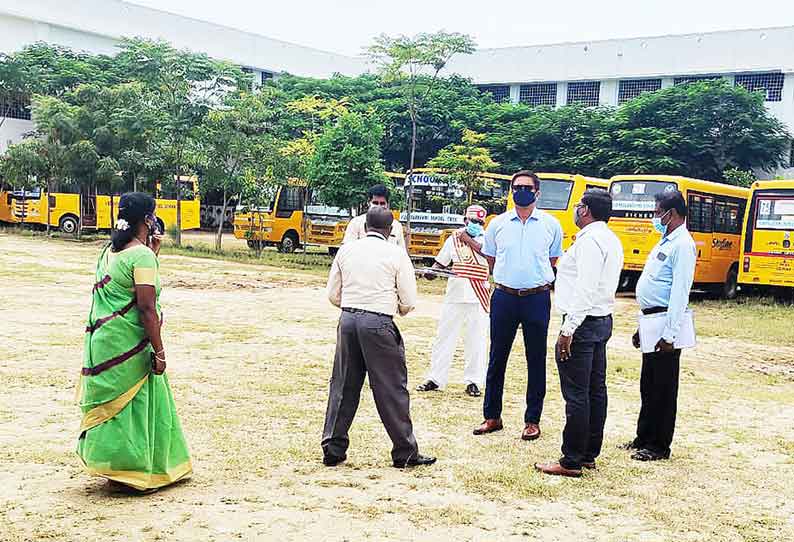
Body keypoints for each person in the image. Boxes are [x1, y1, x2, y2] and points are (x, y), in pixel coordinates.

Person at [77, 192, 191, 493]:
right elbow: (146, 307)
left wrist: (153, 251)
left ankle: (116, 468)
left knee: (118, 407)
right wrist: (160, 351)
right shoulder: (140, 256)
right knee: (136, 405)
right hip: (130, 345)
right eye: (152, 215)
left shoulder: (109, 251)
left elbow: (128, 286)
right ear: (147, 219)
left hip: (103, 342)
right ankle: (138, 472)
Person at [322, 206, 436, 469]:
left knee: (343, 385)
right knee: (391, 388)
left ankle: (333, 448)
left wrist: (352, 306)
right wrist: (392, 309)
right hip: (379, 322)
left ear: (364, 226)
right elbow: (408, 299)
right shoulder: (396, 254)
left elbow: (332, 294)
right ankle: (405, 452)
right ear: (391, 229)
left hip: (348, 320)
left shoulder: (347, 250)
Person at [534, 189, 624, 478]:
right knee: (596, 391)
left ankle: (571, 459)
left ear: (585, 210)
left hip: (582, 323)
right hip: (600, 319)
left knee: (577, 394)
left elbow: (585, 288)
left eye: (577, 206)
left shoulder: (590, 242)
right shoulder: (610, 238)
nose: (575, 211)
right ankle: (587, 453)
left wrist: (568, 329)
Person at [474, 170, 563, 441]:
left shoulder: (551, 225)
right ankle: (492, 416)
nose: (520, 191)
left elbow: (552, 261)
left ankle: (532, 420)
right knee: (497, 358)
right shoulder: (497, 224)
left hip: (537, 298)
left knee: (535, 359)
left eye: (526, 187)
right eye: (516, 187)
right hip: (504, 297)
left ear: (537, 192)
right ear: (510, 191)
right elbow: (490, 259)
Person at [623, 189, 696, 462]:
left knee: (664, 387)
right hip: (651, 318)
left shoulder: (683, 245)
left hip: (666, 320)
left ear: (672, 213)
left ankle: (659, 445)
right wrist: (642, 328)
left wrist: (669, 334)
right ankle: (644, 436)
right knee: (648, 383)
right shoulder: (665, 240)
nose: (655, 217)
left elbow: (679, 292)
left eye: (658, 212)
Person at [416, 205, 490, 397]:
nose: (476, 225)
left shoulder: (488, 238)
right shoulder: (453, 239)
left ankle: (474, 381)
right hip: (455, 294)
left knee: (477, 339)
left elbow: (492, 258)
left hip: (478, 295)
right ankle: (436, 378)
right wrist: (430, 272)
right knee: (444, 337)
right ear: (465, 220)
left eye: (479, 222)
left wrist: (469, 240)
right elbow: (440, 263)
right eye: (472, 221)